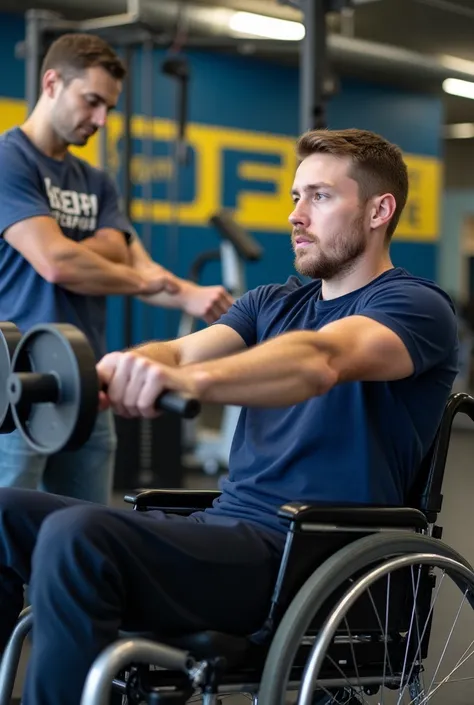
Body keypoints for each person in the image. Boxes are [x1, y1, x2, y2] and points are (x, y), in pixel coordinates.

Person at [0, 128, 458, 705]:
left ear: (378, 210)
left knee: (77, 533)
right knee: (4, 512)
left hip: (305, 556)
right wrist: (119, 367)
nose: (296, 215)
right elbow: (182, 351)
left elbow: (323, 358)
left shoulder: (414, 306)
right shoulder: (271, 302)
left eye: (318, 196)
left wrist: (188, 382)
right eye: (295, 197)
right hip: (224, 531)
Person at [0, 33, 233, 504]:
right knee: (8, 529)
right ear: (51, 83)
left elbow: (136, 263)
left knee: (84, 526)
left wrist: (187, 292)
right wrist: (113, 263)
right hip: (19, 374)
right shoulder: (9, 161)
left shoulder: (96, 182)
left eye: (108, 107)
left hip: (88, 376)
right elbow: (57, 264)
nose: (101, 120)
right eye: (91, 102)